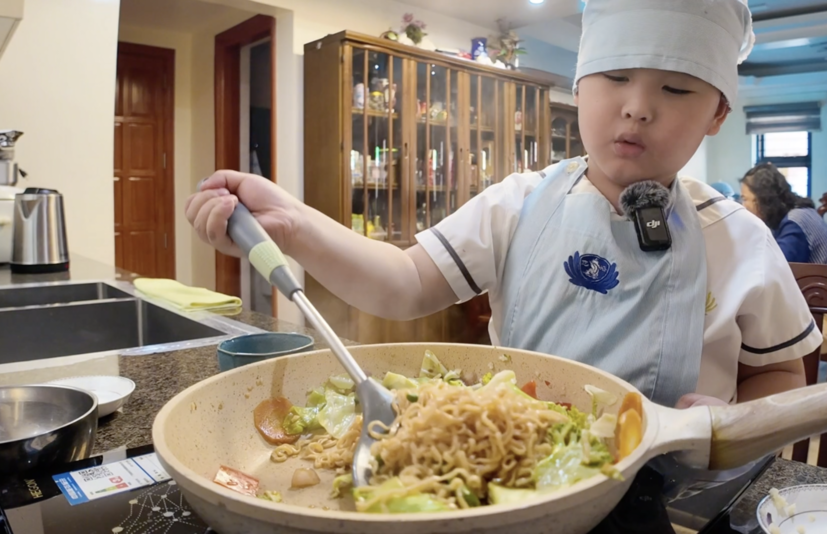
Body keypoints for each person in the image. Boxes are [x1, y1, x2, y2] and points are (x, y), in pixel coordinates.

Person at [186, 0, 820, 409]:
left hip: (678, 502)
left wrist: (732, 422)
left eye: (676, 88)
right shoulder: (520, 204)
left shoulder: (739, 239)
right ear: (579, 85)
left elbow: (784, 378)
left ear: (716, 114)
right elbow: (404, 284)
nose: (637, 107)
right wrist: (292, 225)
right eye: (616, 78)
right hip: (516, 478)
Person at [741, 162, 827, 264]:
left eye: (745, 199)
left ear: (763, 199)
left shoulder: (795, 221)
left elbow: (776, 267)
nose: (743, 206)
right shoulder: (798, 212)